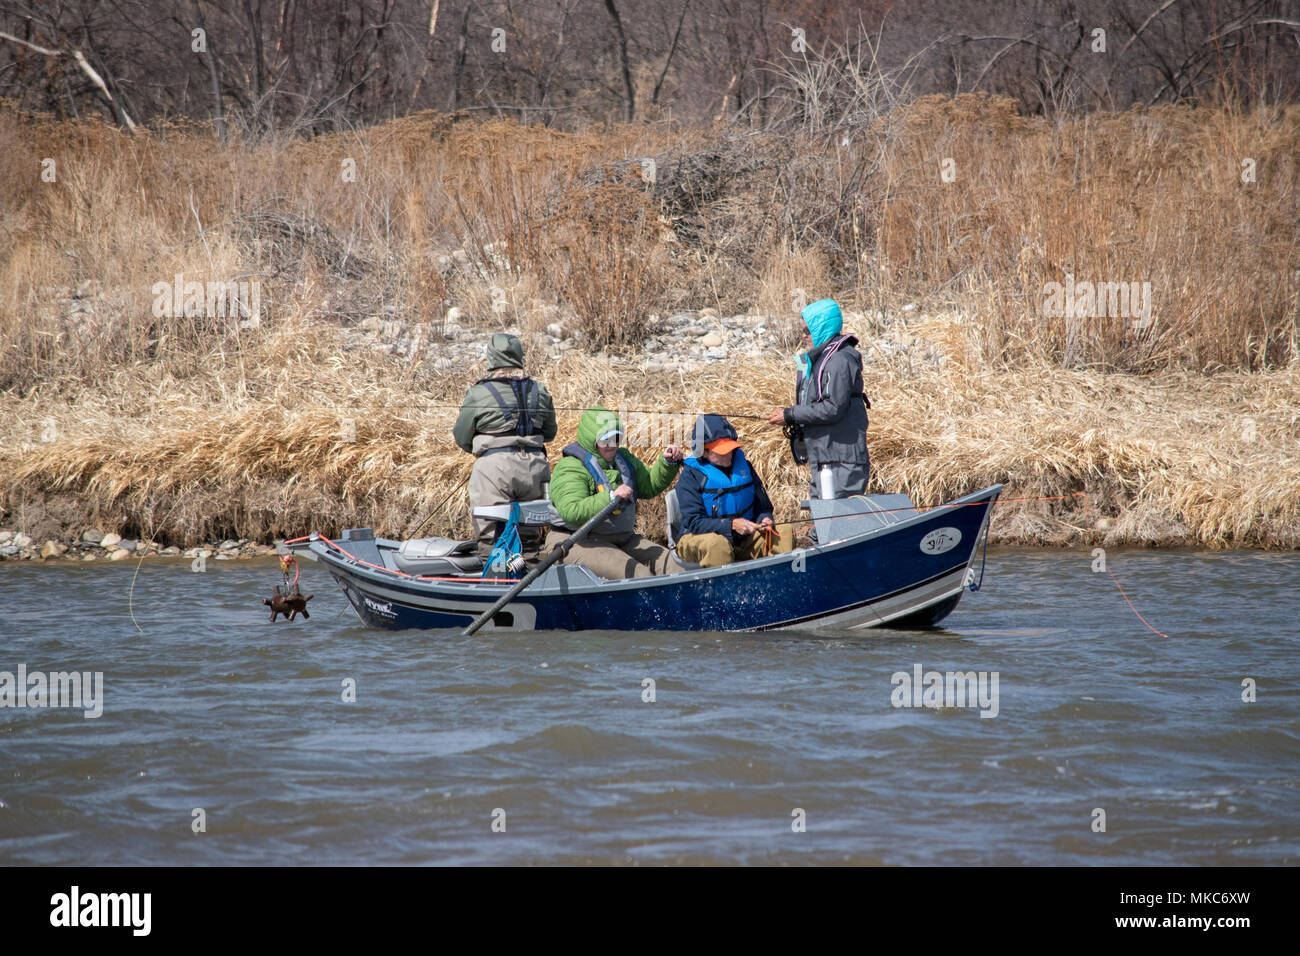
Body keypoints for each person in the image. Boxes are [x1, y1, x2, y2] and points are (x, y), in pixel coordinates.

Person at [546, 406, 684, 579]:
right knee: (640, 576)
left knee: (675, 567)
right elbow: (571, 511)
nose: (612, 445)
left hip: (621, 538)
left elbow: (649, 486)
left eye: (616, 438)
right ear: (591, 440)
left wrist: (667, 464)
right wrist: (610, 497)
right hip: (576, 541)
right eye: (605, 440)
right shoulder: (570, 468)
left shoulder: (623, 458)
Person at [453, 333, 557, 560]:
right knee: (528, 541)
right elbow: (550, 434)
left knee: (491, 540)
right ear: (520, 357)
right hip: (535, 469)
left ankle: (495, 584)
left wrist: (488, 450)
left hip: (494, 471)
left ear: (491, 358)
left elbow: (461, 437)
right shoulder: (540, 390)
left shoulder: (478, 392)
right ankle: (527, 578)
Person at [767, 298, 870, 500]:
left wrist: (790, 415)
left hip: (842, 461)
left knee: (835, 525)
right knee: (820, 526)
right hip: (825, 458)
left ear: (822, 327)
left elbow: (832, 408)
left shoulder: (840, 360)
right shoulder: (822, 358)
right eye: (803, 331)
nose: (804, 336)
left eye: (808, 330)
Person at [674, 414, 794, 567]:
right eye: (722, 451)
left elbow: (763, 507)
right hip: (697, 538)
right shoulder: (690, 476)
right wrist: (731, 525)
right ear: (703, 452)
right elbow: (694, 522)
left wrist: (764, 519)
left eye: (730, 448)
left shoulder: (745, 467)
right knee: (717, 545)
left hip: (741, 539)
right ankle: (723, 589)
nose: (729, 454)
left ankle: (778, 583)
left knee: (783, 533)